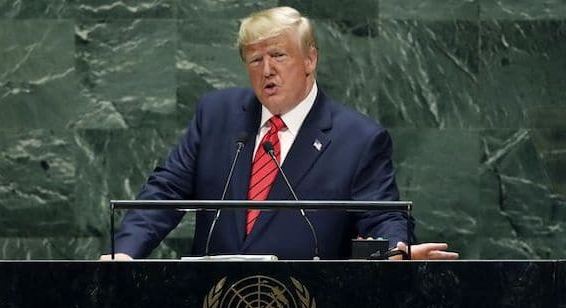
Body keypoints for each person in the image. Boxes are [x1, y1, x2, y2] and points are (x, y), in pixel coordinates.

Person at [101, 6, 458, 261]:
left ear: (310, 60)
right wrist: (125, 252)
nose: (267, 70)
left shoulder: (358, 139)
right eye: (255, 60)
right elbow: (164, 192)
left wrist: (394, 250)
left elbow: (384, 216)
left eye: (278, 55)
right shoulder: (217, 116)